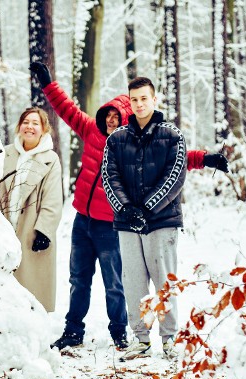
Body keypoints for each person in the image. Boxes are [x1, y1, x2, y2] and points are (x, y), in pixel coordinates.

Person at [30, 62, 227, 351]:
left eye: (116, 116)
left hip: (111, 223)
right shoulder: (93, 133)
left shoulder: (130, 141)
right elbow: (66, 108)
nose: (110, 120)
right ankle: (73, 331)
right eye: (107, 115)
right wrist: (48, 83)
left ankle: (121, 331)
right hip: (82, 220)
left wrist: (206, 158)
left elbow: (176, 156)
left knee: (116, 283)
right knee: (78, 279)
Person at [102, 76, 186, 359]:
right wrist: (127, 210)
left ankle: (169, 337)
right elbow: (109, 177)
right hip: (127, 223)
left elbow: (174, 177)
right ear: (130, 102)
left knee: (164, 281)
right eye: (134, 99)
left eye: (144, 99)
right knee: (134, 281)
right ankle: (140, 338)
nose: (139, 104)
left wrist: (147, 209)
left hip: (162, 221)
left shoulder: (172, 135)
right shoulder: (116, 139)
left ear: (154, 99)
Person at [0, 107, 63, 312]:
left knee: (30, 293)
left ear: (44, 129)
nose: (30, 127)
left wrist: (43, 231)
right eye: (26, 122)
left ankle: (33, 332)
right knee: (2, 291)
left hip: (31, 232)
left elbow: (52, 200)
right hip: (4, 228)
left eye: (35, 123)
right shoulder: (4, 153)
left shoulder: (50, 159)